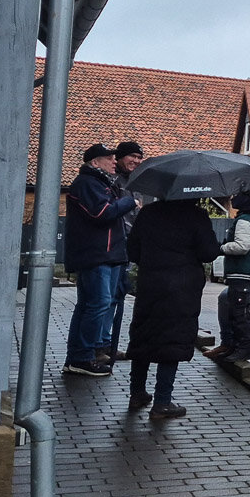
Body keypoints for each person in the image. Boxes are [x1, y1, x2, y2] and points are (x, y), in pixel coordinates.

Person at [125, 197, 221, 420]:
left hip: (150, 284)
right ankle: (162, 401)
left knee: (144, 336)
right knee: (173, 339)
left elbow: (132, 250)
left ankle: (137, 393)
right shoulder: (196, 215)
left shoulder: (148, 213)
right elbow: (209, 253)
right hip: (182, 288)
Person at [62, 143, 136, 377]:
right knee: (97, 304)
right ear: (95, 163)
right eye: (108, 158)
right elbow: (101, 213)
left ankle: (83, 355)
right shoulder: (87, 183)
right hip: (96, 256)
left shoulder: (103, 183)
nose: (114, 162)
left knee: (92, 305)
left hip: (108, 256)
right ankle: (81, 357)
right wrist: (128, 202)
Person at [208, 191, 250, 362]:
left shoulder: (245, 220)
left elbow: (242, 246)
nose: (232, 200)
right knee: (236, 311)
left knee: (239, 314)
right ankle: (235, 347)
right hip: (242, 273)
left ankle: (243, 349)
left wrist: (222, 247)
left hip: (242, 273)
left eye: (236, 196)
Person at [103, 140, 145, 363]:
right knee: (108, 299)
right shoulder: (113, 180)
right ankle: (103, 346)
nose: (136, 161)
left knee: (118, 297)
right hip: (115, 246)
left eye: (139, 158)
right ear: (119, 158)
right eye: (132, 157)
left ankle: (110, 346)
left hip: (128, 248)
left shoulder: (135, 182)